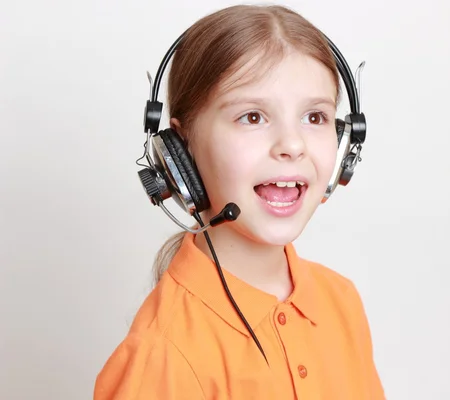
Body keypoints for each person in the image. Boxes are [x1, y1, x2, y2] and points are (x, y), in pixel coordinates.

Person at [94, 4, 384, 399]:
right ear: (180, 150)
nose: (292, 145)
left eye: (314, 117)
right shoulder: (162, 355)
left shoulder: (340, 301)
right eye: (252, 117)